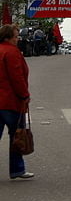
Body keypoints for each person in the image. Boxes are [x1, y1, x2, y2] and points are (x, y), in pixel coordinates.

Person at [0, 24, 33, 180]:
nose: (17, 39)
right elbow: (16, 77)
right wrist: (24, 95)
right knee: (17, 136)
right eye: (15, 36)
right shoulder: (11, 52)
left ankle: (17, 170)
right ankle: (17, 169)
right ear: (7, 37)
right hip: (10, 101)